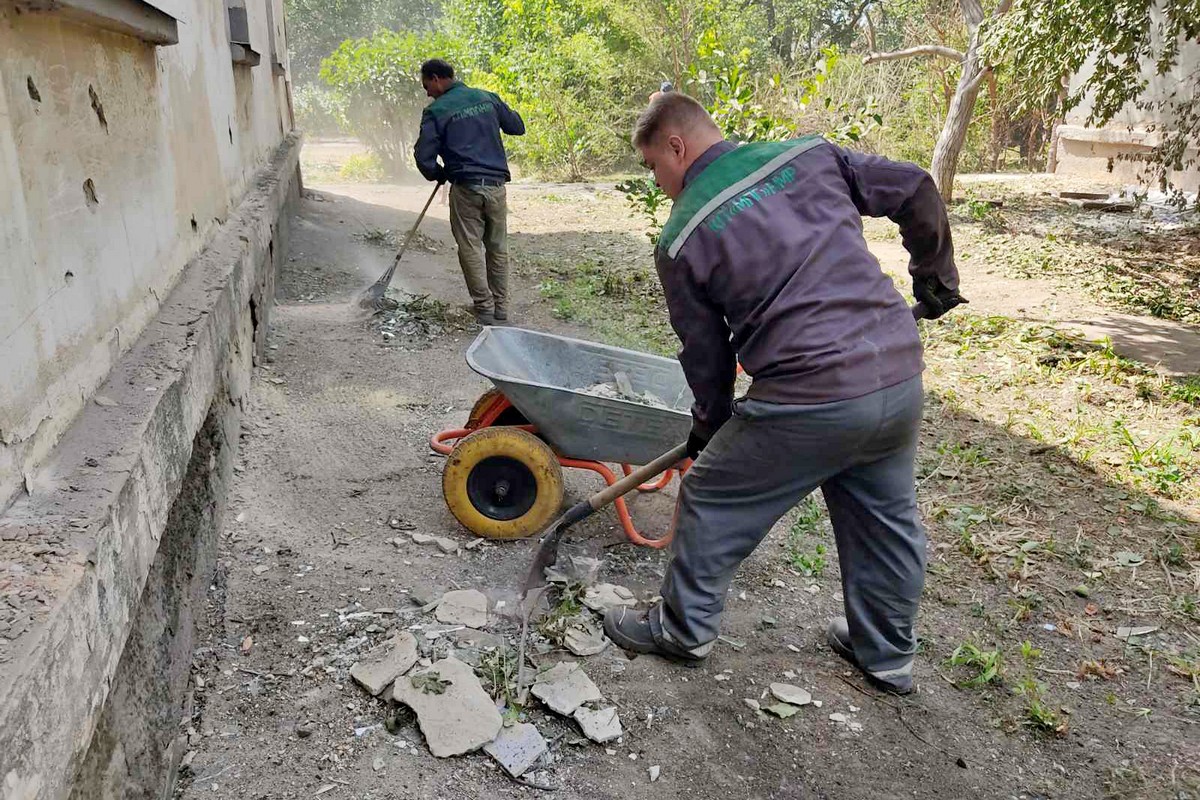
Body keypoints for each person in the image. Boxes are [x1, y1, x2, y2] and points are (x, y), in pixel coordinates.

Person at [602, 93, 965, 694]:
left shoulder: (682, 233)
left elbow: (707, 354)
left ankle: (682, 629)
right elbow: (915, 188)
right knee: (884, 515)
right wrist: (935, 276)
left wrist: (709, 425)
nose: (659, 182)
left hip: (810, 391)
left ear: (676, 146)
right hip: (897, 372)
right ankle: (886, 654)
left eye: (653, 167)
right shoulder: (809, 153)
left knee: (713, 494)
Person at [414, 59, 525, 325]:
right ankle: (501, 307)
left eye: (426, 85)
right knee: (498, 247)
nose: (427, 92)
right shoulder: (487, 98)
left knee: (470, 248)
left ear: (437, 78)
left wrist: (439, 174)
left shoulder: (436, 111)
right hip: (496, 187)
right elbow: (517, 127)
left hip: (466, 188)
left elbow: (423, 156)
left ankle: (484, 308)